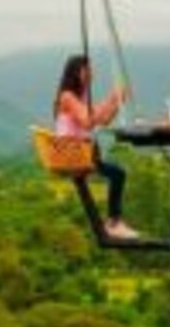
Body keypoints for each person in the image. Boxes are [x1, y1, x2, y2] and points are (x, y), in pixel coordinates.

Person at [54, 54, 140, 240]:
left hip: (82, 152)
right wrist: (111, 98)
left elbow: (103, 120)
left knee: (118, 173)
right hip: (74, 153)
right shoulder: (67, 97)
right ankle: (114, 221)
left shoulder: (80, 99)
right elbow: (87, 121)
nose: (92, 73)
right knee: (118, 174)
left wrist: (117, 102)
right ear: (77, 73)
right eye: (87, 70)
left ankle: (114, 221)